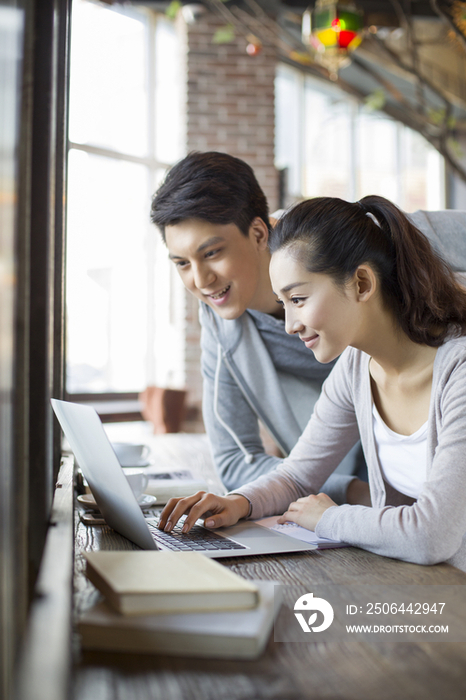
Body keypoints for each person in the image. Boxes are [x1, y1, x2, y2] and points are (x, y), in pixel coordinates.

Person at [158, 194, 466, 571]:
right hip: (435, 588)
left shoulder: (459, 371)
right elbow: (298, 475)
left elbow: (430, 535)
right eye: (283, 303)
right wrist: (239, 503)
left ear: (362, 283)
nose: (290, 325)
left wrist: (328, 518)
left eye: (299, 298)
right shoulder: (356, 366)